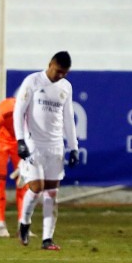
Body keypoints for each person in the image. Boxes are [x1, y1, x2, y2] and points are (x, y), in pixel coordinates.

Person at [13, 51, 79, 251]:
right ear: (50, 64)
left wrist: (74, 147)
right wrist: (20, 140)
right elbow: (19, 111)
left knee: (52, 193)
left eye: (64, 73)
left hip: (56, 146)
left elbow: (68, 118)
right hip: (34, 144)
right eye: (59, 71)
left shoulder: (66, 87)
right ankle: (24, 223)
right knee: (36, 187)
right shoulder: (33, 81)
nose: (61, 76)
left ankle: (47, 239)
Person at [0, 97, 29, 237]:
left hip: (19, 144)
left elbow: (35, 138)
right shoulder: (2, 112)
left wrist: (25, 162)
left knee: (24, 182)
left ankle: (23, 224)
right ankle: (1, 224)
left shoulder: (32, 113)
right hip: (0, 142)